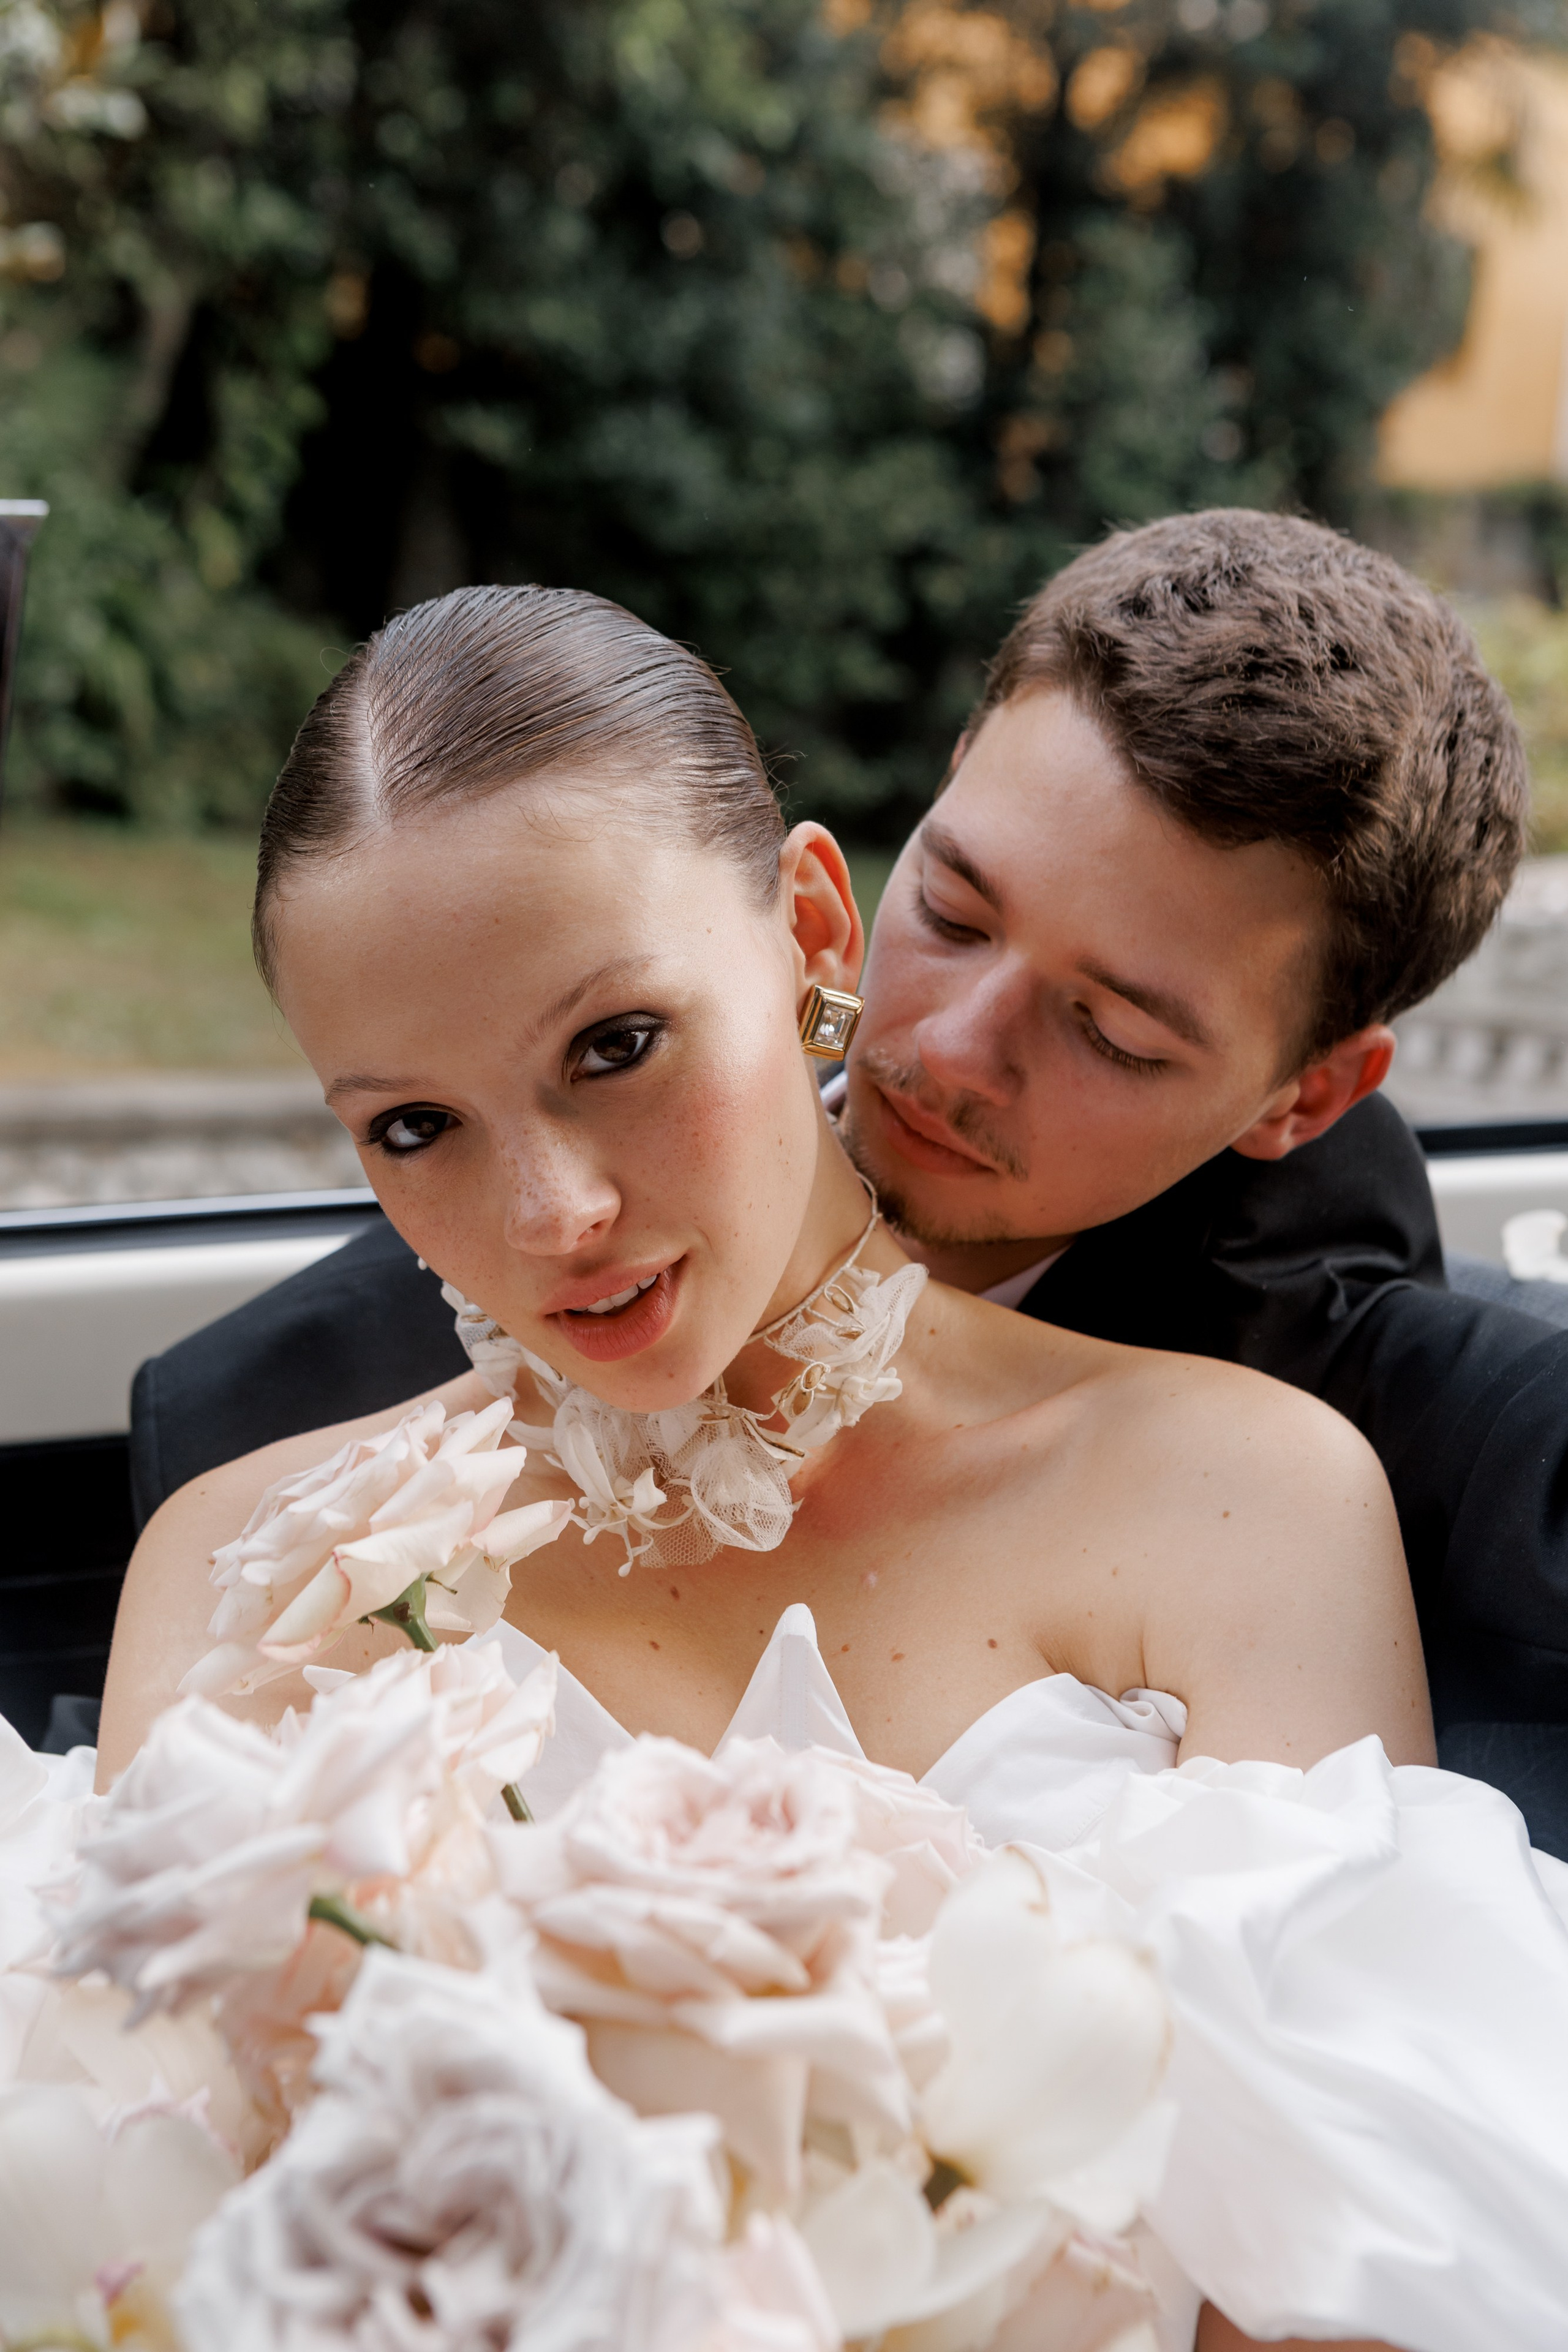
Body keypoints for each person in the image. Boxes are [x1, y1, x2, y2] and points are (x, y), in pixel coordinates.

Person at [100, 584, 1568, 2351]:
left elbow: (1337, 2277)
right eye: (412, 1125)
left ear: (803, 926)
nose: (551, 1219)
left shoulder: (1256, 1489)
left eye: (617, 1047)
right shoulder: (243, 1556)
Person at [124, 517, 1568, 1844]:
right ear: (832, 909)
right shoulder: (263, 1522)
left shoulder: (1283, 1474)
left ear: (1302, 1095)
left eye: (1111, 1032)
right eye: (947, 908)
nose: (938, 1043)